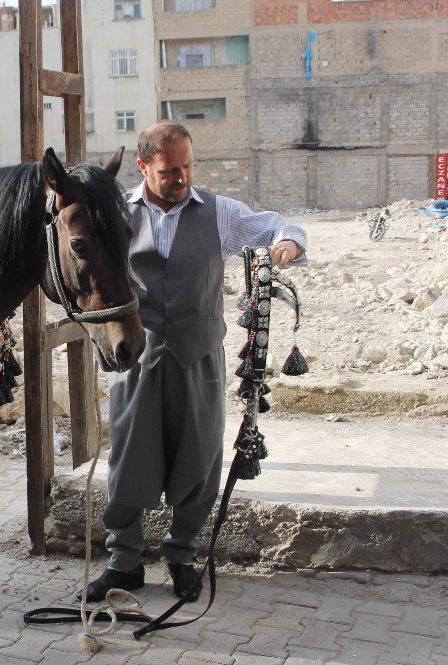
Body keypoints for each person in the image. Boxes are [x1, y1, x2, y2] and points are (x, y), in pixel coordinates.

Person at [78, 122, 307, 603]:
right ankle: (124, 563)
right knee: (128, 459)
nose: (181, 177)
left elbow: (278, 226)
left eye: (186, 167)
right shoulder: (119, 213)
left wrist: (289, 243)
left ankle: (182, 556)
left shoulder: (219, 213)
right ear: (144, 167)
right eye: (168, 170)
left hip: (198, 356)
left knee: (198, 459)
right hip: (135, 356)